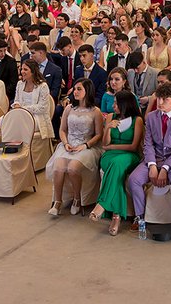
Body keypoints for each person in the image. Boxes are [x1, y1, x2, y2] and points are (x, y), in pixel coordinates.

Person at [126, 81, 171, 240]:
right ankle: (140, 216)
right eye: (158, 98)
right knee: (134, 179)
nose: (160, 102)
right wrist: (151, 165)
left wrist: (164, 168)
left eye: (165, 99)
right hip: (154, 158)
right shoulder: (151, 117)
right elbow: (148, 143)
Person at [89, 89, 144, 236]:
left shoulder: (137, 120)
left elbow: (133, 146)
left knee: (118, 165)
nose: (113, 106)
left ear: (125, 104)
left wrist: (111, 146)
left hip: (129, 156)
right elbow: (105, 143)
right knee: (116, 170)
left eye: (116, 103)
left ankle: (104, 205)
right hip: (109, 156)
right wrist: (107, 128)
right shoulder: (111, 117)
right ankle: (116, 215)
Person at [47, 78, 104, 217]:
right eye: (75, 88)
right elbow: (62, 130)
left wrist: (84, 145)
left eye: (79, 89)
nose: (75, 92)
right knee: (58, 166)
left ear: (87, 91)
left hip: (86, 146)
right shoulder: (69, 108)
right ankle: (58, 201)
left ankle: (77, 200)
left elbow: (98, 134)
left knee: (73, 168)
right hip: (68, 144)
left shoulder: (95, 111)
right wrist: (65, 143)